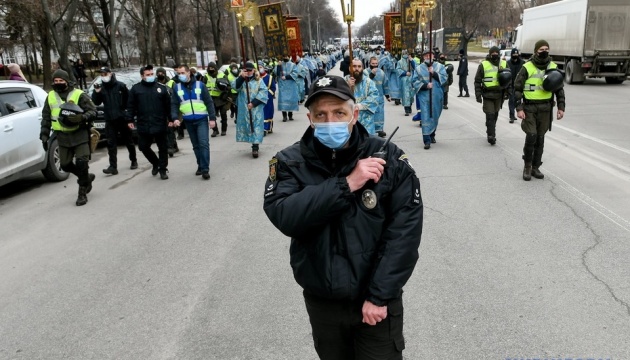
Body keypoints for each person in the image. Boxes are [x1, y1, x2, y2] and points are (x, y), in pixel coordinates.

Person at [263, 75, 423, 360]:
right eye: (321, 115)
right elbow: (285, 216)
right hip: (323, 302)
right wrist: (347, 183)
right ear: (310, 118)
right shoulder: (289, 162)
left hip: (375, 302)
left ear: (355, 114)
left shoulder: (388, 157)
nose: (330, 121)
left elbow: (404, 235)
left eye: (339, 112)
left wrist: (378, 295)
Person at [40, 69, 97, 206]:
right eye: (56, 81)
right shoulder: (51, 96)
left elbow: (93, 111)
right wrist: (44, 134)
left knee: (82, 163)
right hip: (62, 136)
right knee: (65, 165)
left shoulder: (79, 94)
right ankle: (86, 177)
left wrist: (82, 117)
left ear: (67, 81)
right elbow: (46, 117)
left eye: (61, 80)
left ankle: (82, 193)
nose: (58, 83)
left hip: (79, 134)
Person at [514, 40, 565, 181]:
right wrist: (519, 108)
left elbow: (559, 89)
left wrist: (561, 107)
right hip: (529, 108)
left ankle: (536, 167)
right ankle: (527, 166)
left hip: (545, 108)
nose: (544, 51)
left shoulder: (553, 67)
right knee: (531, 136)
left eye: (547, 48)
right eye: (542, 49)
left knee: (540, 138)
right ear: (536, 51)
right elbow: (517, 89)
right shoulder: (527, 67)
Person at [126, 65, 173, 180]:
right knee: (143, 146)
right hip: (144, 123)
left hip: (160, 122)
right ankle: (155, 162)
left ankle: (163, 169)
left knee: (163, 148)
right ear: (142, 76)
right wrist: (129, 119)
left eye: (152, 74)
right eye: (148, 75)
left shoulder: (161, 88)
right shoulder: (136, 89)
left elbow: (168, 106)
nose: (151, 76)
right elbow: (130, 106)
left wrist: (171, 119)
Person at [171, 65, 217, 180]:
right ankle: (200, 165)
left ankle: (205, 169)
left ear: (188, 73)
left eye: (182, 73)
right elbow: (174, 104)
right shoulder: (177, 88)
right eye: (178, 73)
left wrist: (212, 118)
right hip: (188, 121)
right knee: (196, 145)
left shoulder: (200, 85)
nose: (180, 75)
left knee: (203, 143)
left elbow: (209, 102)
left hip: (201, 119)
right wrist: (175, 118)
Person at [92, 67, 137, 175]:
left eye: (105, 74)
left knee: (128, 141)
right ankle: (113, 166)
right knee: (111, 143)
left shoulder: (120, 86)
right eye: (101, 75)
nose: (104, 76)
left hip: (122, 118)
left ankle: (133, 160)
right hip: (109, 120)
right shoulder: (101, 88)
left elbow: (129, 101)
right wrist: (97, 92)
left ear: (110, 74)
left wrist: (127, 114)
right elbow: (96, 102)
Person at [413, 49, 448, 149]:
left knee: (435, 116)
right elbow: (414, 81)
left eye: (430, 55)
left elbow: (445, 78)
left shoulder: (440, 66)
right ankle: (426, 140)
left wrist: (434, 73)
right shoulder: (419, 68)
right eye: (426, 56)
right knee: (425, 116)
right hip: (424, 96)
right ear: (423, 57)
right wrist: (425, 85)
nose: (428, 57)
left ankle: (432, 134)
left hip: (437, 96)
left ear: (433, 56)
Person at [232, 62, 268, 158]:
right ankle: (250, 141)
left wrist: (254, 103)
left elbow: (264, 92)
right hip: (244, 109)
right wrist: (241, 78)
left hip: (256, 109)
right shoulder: (241, 80)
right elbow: (235, 87)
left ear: (253, 70)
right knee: (248, 127)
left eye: (250, 70)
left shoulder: (259, 80)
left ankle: (255, 147)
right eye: (246, 70)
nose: (248, 72)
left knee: (256, 126)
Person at [474, 46, 508, 145]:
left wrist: (507, 92)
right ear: (489, 54)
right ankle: (491, 136)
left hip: (499, 94)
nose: (494, 54)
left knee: (495, 115)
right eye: (492, 52)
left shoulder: (504, 63)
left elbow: (509, 79)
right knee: (490, 115)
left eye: (496, 52)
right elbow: (477, 81)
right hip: (487, 94)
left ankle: (490, 128)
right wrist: (478, 95)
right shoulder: (483, 64)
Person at [346, 58, 380, 135]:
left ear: (362, 68)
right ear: (349, 68)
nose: (357, 69)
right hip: (349, 122)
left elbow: (374, 97)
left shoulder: (368, 82)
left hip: (366, 122)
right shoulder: (343, 81)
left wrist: (359, 106)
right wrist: (347, 86)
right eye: (354, 66)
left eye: (359, 66)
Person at [156, 67, 180, 156]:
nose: (160, 75)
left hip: (170, 107)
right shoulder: (154, 83)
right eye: (158, 73)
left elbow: (176, 95)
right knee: (164, 129)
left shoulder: (171, 82)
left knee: (170, 128)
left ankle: (170, 146)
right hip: (159, 109)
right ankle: (173, 144)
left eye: (161, 73)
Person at [365, 56, 390, 137]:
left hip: (379, 97)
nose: (375, 65)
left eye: (376, 64)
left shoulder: (382, 73)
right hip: (369, 97)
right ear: (369, 63)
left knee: (380, 113)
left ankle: (379, 129)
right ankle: (369, 129)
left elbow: (385, 84)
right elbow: (364, 83)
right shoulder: (365, 72)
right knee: (370, 113)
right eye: (373, 64)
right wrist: (371, 74)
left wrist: (387, 95)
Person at [205, 62, 231, 137]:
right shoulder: (206, 76)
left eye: (213, 68)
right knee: (212, 115)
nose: (211, 70)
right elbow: (203, 87)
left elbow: (228, 87)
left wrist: (226, 95)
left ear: (215, 68)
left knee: (223, 114)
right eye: (210, 68)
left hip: (221, 98)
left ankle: (223, 130)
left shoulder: (222, 75)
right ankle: (215, 130)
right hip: (211, 99)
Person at [277, 56, 299, 122]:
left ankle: (290, 114)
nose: (285, 57)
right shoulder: (280, 64)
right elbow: (276, 73)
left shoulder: (293, 65)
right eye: (284, 56)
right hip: (282, 85)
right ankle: (284, 116)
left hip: (291, 85)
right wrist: (278, 66)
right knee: (283, 99)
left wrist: (286, 77)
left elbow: (295, 74)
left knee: (290, 99)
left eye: (286, 56)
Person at [507, 48, 525, 123]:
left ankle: (522, 113)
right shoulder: (508, 63)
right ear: (511, 55)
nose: (515, 56)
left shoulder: (522, 63)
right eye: (514, 54)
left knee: (520, 100)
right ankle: (511, 116)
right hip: (511, 85)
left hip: (520, 85)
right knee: (511, 100)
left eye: (516, 54)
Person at [259, 64, 277, 135]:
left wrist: (267, 94)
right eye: (258, 68)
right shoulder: (256, 77)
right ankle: (262, 128)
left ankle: (267, 128)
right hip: (258, 99)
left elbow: (273, 88)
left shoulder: (269, 77)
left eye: (261, 67)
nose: (260, 69)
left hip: (268, 99)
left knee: (268, 113)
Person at [397, 50, 415, 116]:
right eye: (404, 53)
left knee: (411, 94)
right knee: (405, 94)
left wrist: (411, 60)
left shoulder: (410, 61)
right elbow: (398, 70)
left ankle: (410, 107)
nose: (405, 54)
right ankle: (406, 109)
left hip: (411, 79)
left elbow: (415, 67)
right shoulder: (399, 62)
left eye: (406, 53)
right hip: (404, 80)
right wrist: (405, 73)